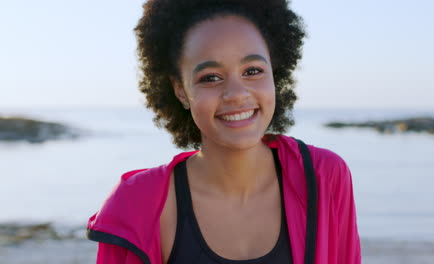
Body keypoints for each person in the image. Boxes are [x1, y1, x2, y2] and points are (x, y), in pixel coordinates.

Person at [86, 0, 362, 263]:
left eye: (252, 71)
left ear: (275, 74)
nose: (236, 94)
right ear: (181, 90)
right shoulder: (137, 205)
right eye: (211, 78)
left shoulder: (324, 176)